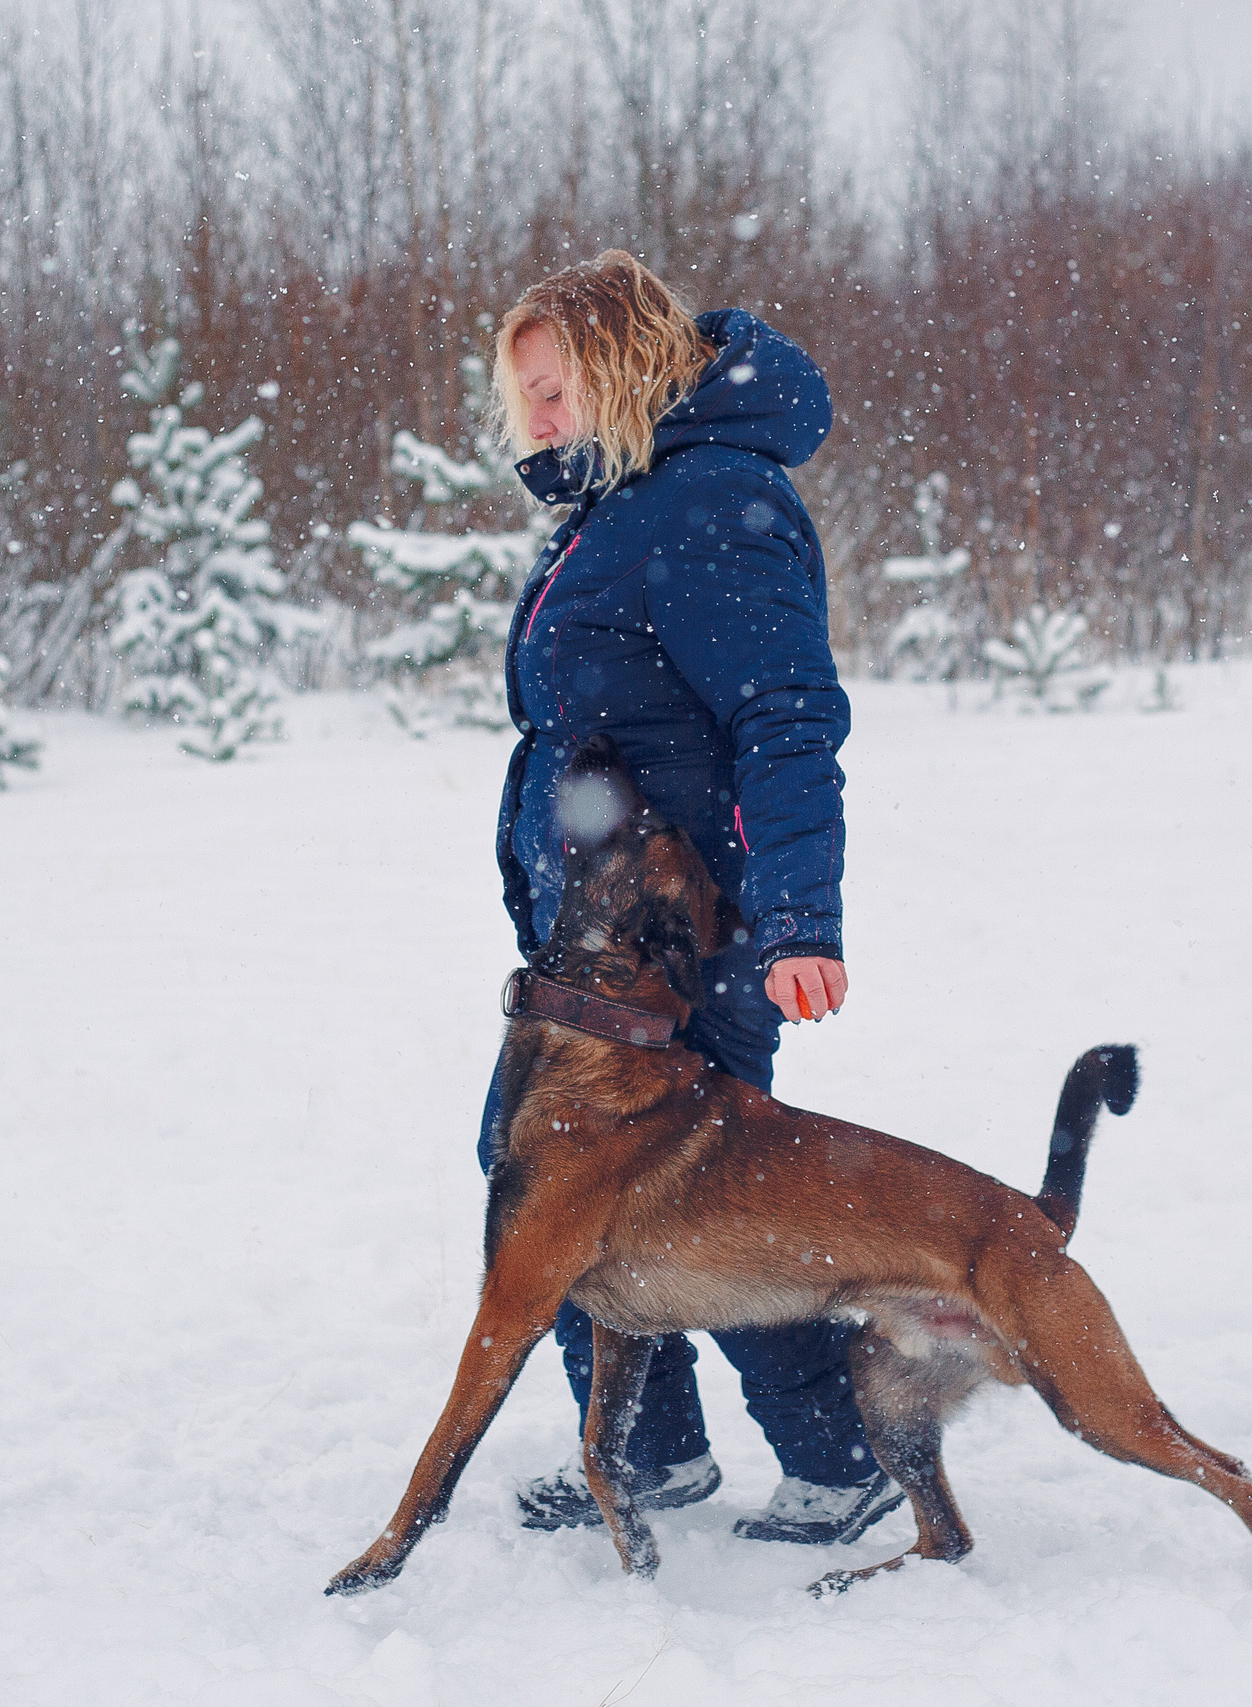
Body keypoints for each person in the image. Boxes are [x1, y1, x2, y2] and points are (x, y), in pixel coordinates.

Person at [475, 250, 900, 1547]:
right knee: (567, 1187)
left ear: (626, 366)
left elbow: (785, 719)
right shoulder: (622, 505)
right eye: (526, 397)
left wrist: (795, 922)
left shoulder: (708, 500)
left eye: (559, 390)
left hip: (689, 937)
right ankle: (653, 1454)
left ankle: (831, 1458)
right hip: (598, 940)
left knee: (691, 1202)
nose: (539, 421)